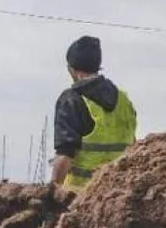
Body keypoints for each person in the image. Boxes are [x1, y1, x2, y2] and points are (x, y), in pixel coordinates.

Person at [50, 36, 137, 190]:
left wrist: (50, 195)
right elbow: (133, 146)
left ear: (73, 70)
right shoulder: (124, 100)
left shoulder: (71, 100)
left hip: (80, 200)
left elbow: (65, 155)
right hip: (119, 197)